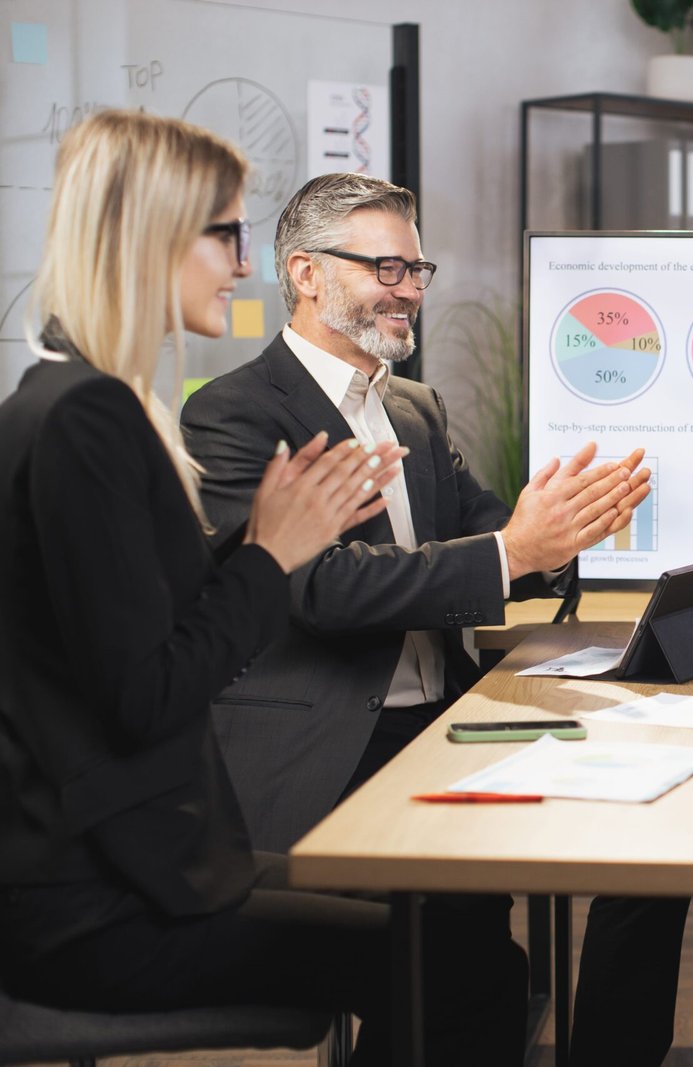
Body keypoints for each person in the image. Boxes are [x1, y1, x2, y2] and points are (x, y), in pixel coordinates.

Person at [0, 109, 525, 1064]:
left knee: (463, 960)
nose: (241, 264)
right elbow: (149, 692)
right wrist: (272, 554)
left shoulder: (83, 404)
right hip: (90, 900)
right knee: (468, 976)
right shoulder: (87, 420)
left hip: (107, 867)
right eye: (225, 234)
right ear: (151, 233)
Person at [181, 171, 687, 1066]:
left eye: (419, 268)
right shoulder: (232, 414)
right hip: (331, 755)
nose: (411, 289)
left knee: (650, 857)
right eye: (387, 266)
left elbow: (490, 534)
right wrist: (515, 551)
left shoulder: (412, 407)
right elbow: (320, 589)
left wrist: (559, 536)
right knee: (469, 978)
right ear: (305, 273)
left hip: (448, 729)